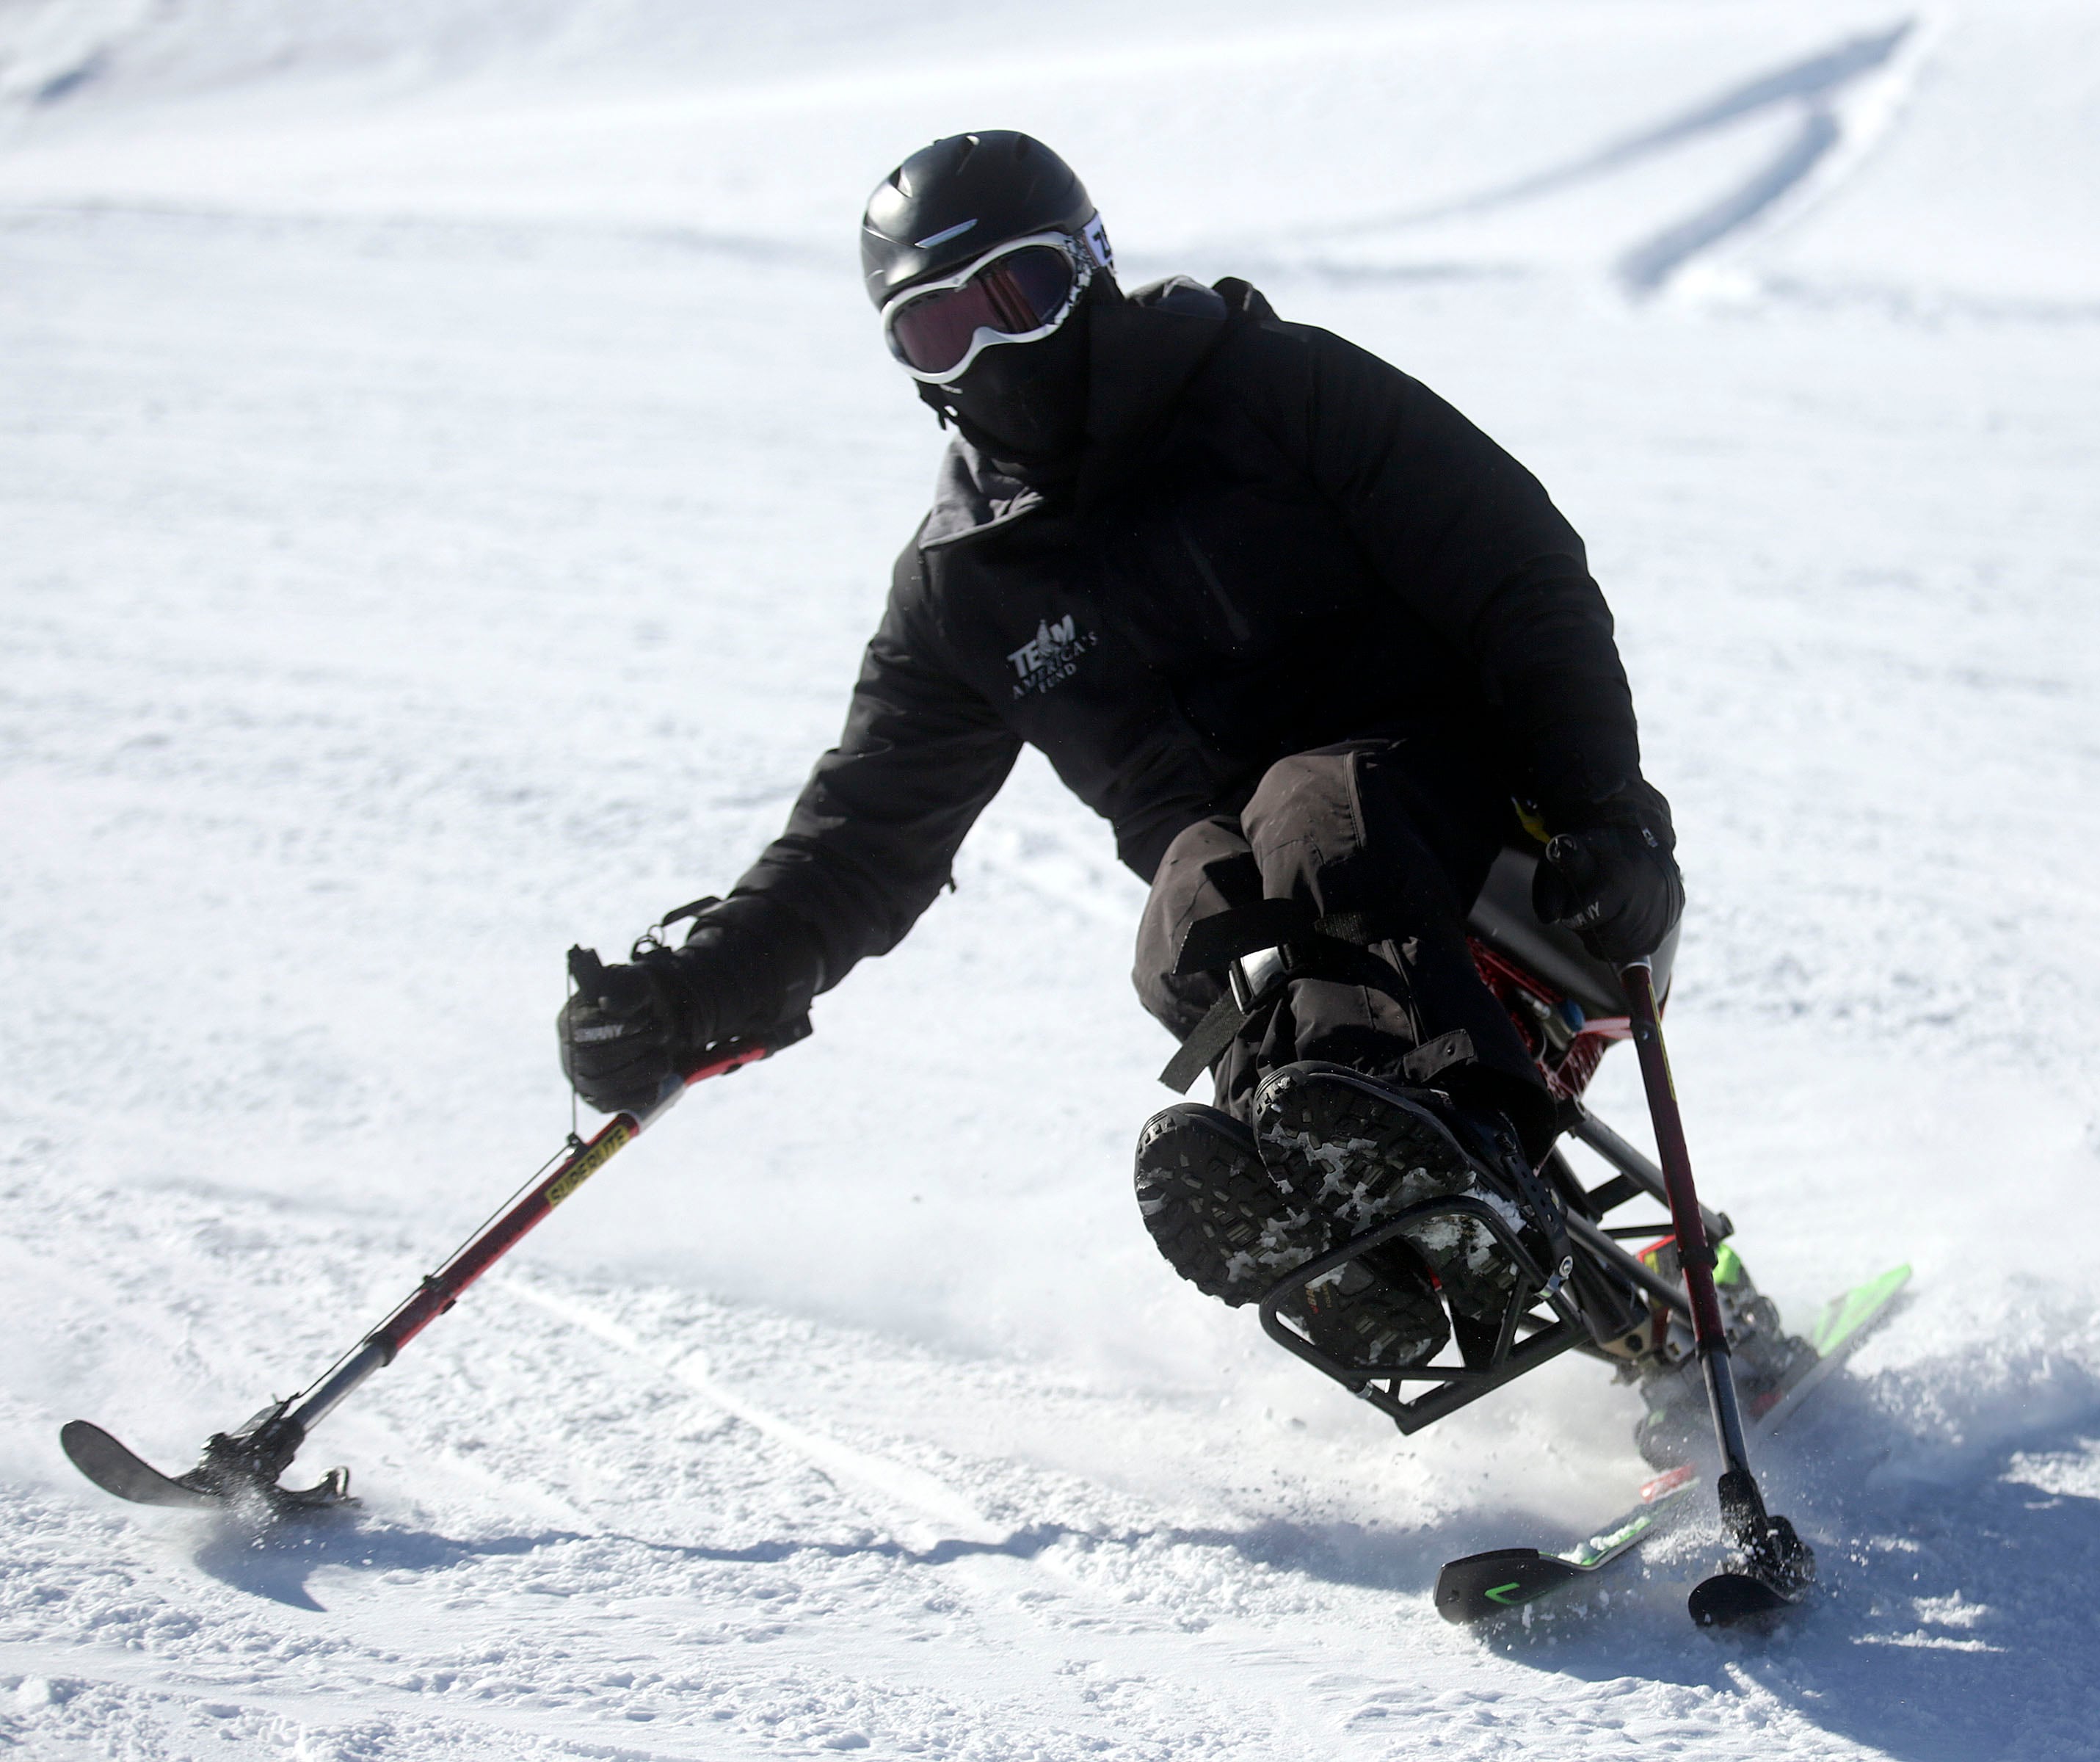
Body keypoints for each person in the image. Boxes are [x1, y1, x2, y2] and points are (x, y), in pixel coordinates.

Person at [558, 132, 1681, 1368]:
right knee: (1191, 899)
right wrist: (688, 996)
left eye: (1014, 297)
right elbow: (861, 840)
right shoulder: (965, 590)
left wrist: (1605, 810)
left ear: (1090, 269)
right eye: (936, 331)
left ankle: (1443, 1153)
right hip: (1299, 945)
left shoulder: (1273, 393)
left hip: (1534, 867)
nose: (988, 353)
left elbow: (1521, 577)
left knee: (1314, 809)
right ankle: (1363, 1244)